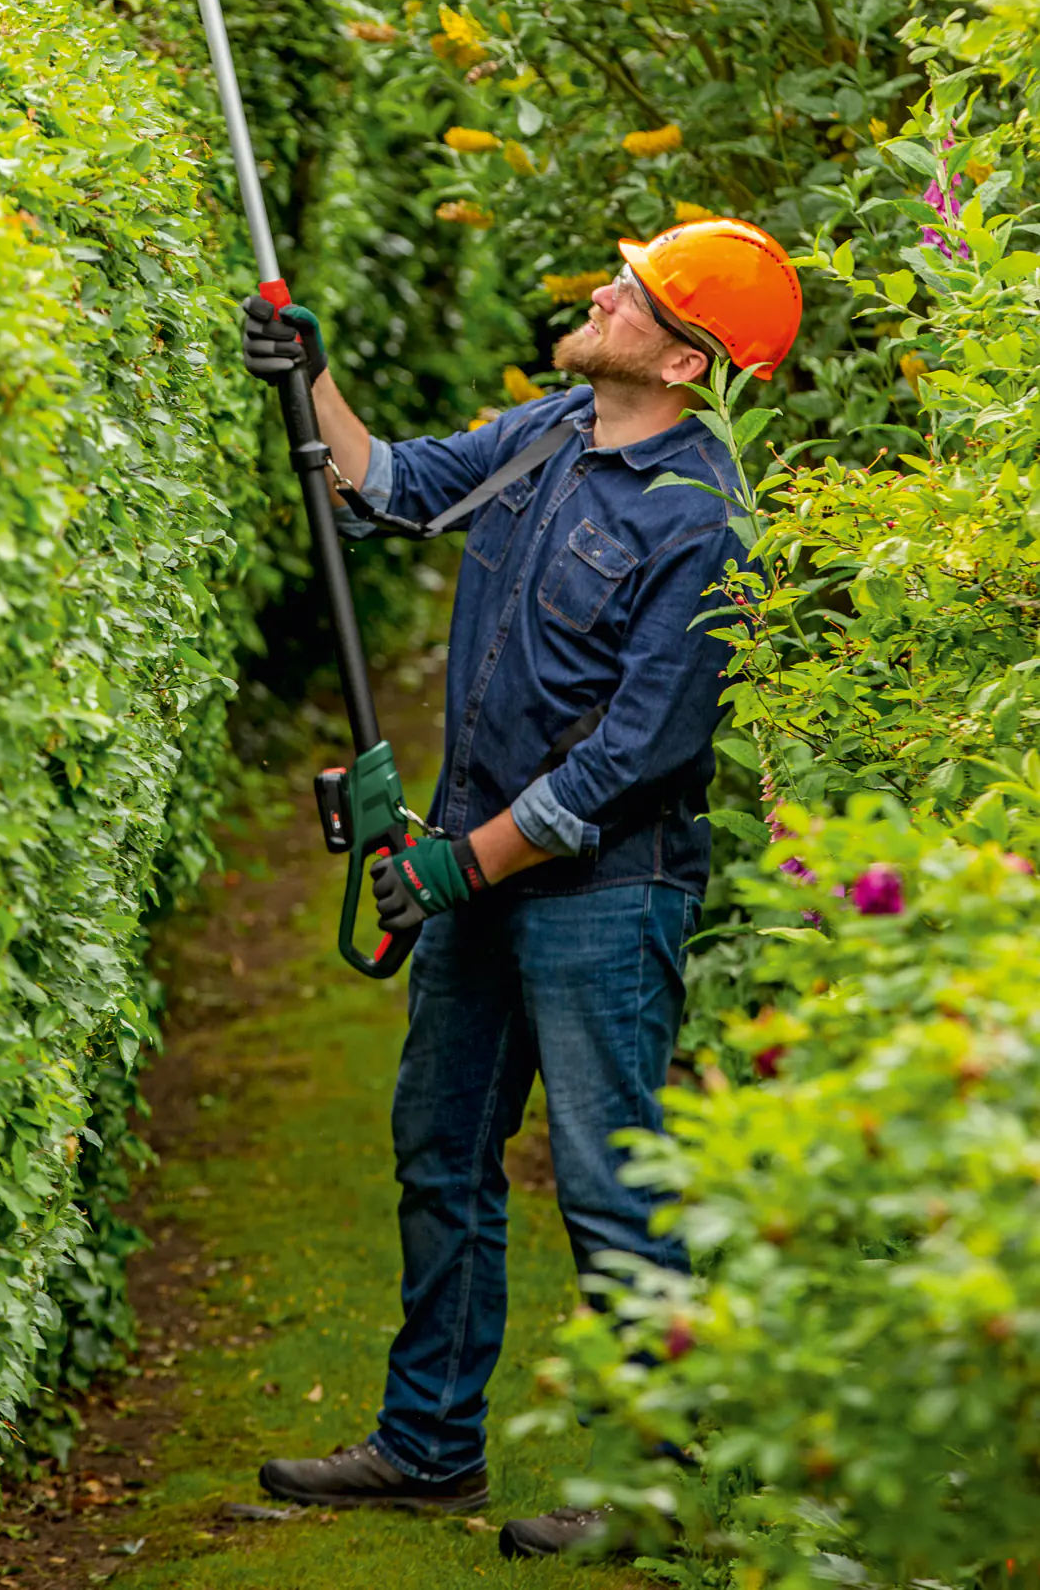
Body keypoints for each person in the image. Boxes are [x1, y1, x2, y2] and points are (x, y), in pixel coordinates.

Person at [239, 218, 802, 1561]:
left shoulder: (703, 516)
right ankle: (429, 1445)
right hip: (478, 872)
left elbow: (630, 756)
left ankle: (669, 1496)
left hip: (607, 890)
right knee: (441, 1149)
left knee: (613, 1191)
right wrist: (305, 375)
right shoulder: (552, 430)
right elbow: (393, 484)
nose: (605, 291)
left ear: (682, 356)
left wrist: (458, 860)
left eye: (636, 290)